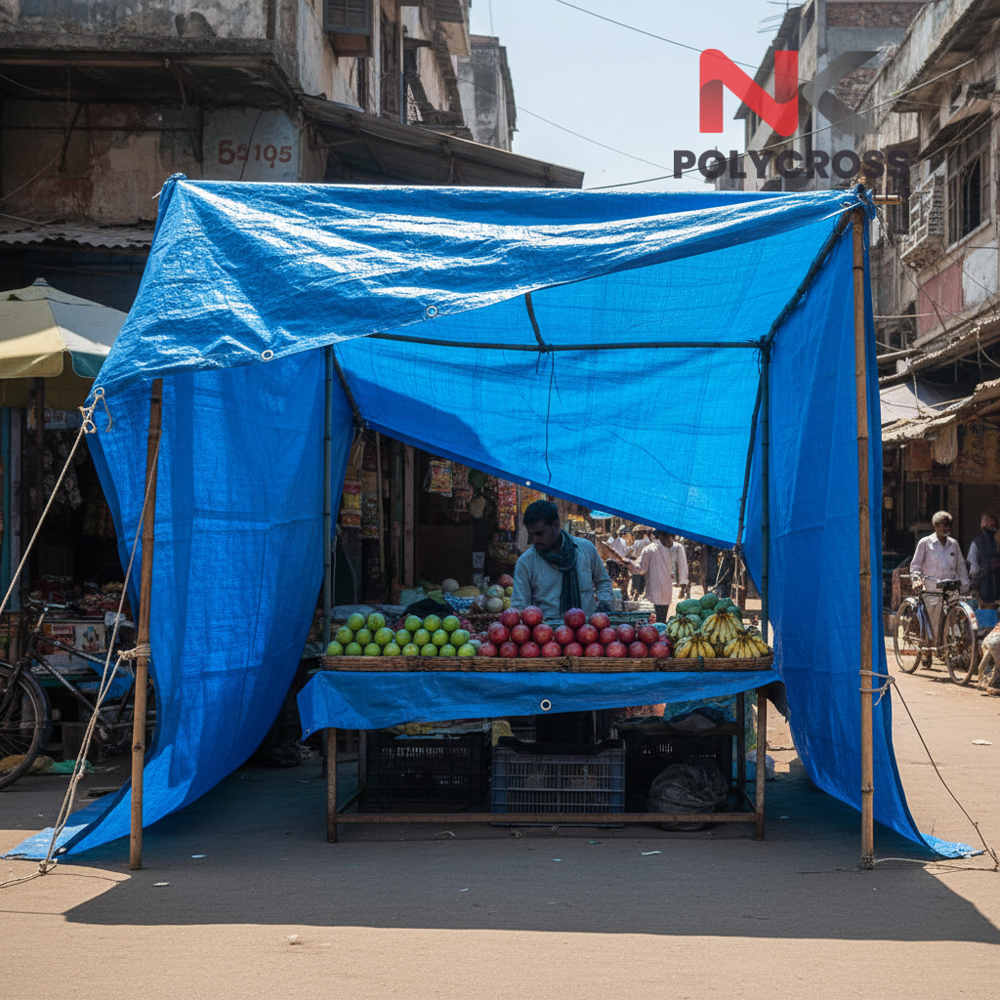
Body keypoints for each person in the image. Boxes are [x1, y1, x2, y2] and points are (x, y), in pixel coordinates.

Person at [511, 500, 614, 619]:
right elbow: (520, 605)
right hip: (546, 633)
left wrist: (604, 607)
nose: (535, 540)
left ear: (556, 525)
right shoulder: (525, 563)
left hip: (587, 630)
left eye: (540, 534)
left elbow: (603, 582)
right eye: (531, 535)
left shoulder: (586, 549)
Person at [909, 511, 970, 660]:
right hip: (932, 590)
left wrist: (965, 584)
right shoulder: (925, 543)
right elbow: (915, 566)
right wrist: (917, 580)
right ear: (936, 526)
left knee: (950, 621)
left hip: (949, 590)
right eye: (943, 528)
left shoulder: (953, 545)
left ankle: (944, 650)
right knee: (934, 622)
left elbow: (961, 566)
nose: (946, 531)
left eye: (948, 528)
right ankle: (931, 651)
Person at [627, 530, 674, 622]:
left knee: (657, 614)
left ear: (654, 536)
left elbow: (641, 569)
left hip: (655, 586)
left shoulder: (649, 549)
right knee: (663, 614)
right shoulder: (672, 549)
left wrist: (628, 563)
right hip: (667, 586)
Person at [967, 512, 1000, 607]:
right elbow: (973, 568)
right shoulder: (977, 542)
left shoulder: (994, 542)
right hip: (984, 589)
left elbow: (973, 569)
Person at [663, 534, 690, 604]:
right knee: (681, 575)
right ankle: (684, 590)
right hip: (679, 561)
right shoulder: (677, 540)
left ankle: (687, 592)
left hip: (687, 558)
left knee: (687, 576)